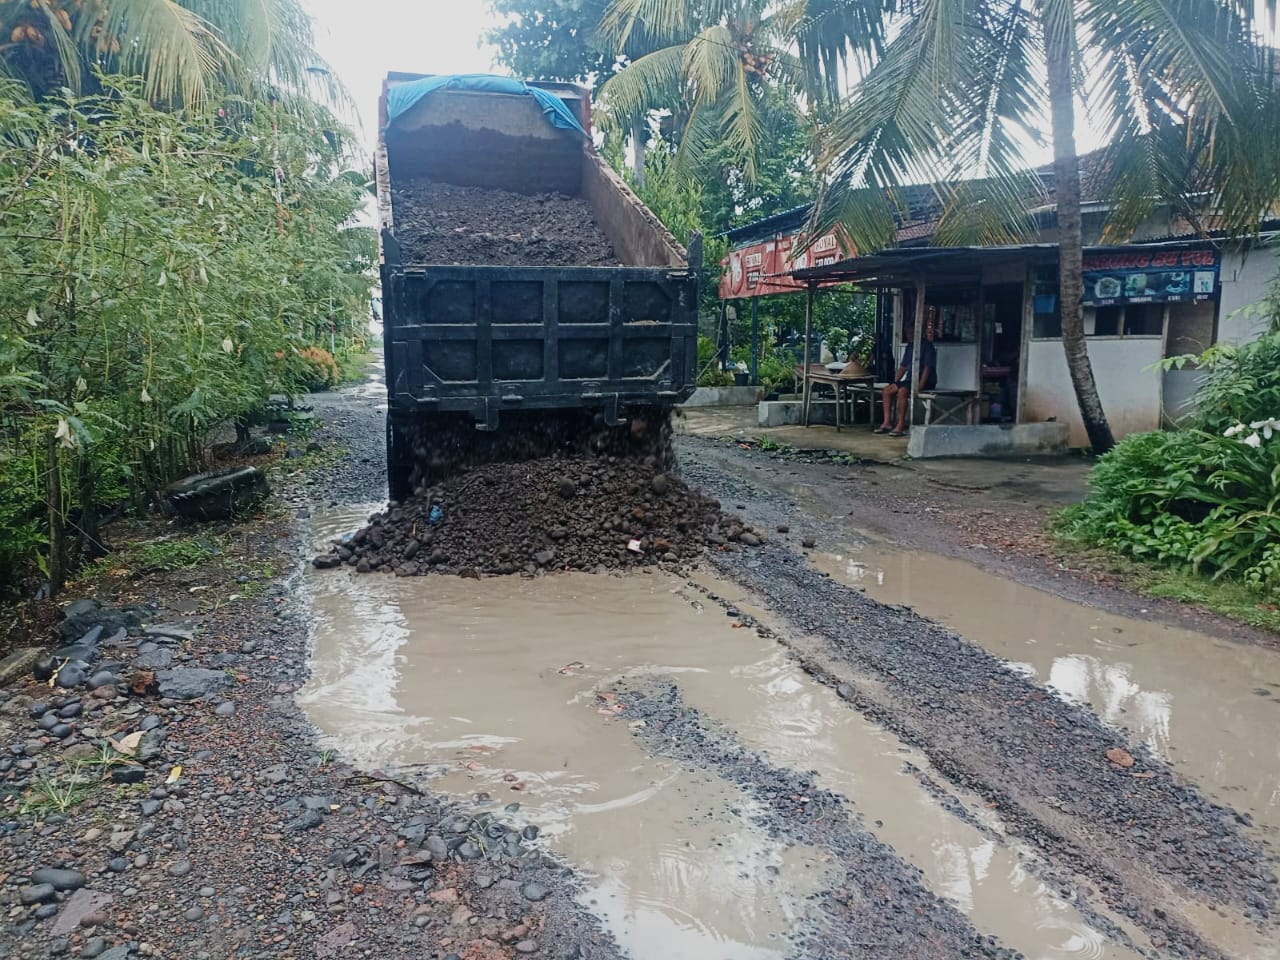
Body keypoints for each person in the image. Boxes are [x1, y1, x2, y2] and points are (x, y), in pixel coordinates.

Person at [875, 324, 936, 437]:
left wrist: (920, 386)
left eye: (911, 333)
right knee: (887, 391)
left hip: (926, 381)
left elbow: (927, 368)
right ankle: (887, 422)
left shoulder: (927, 347)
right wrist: (895, 382)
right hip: (910, 380)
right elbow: (903, 367)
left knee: (902, 391)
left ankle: (901, 424)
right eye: (908, 333)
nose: (909, 335)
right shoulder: (910, 347)